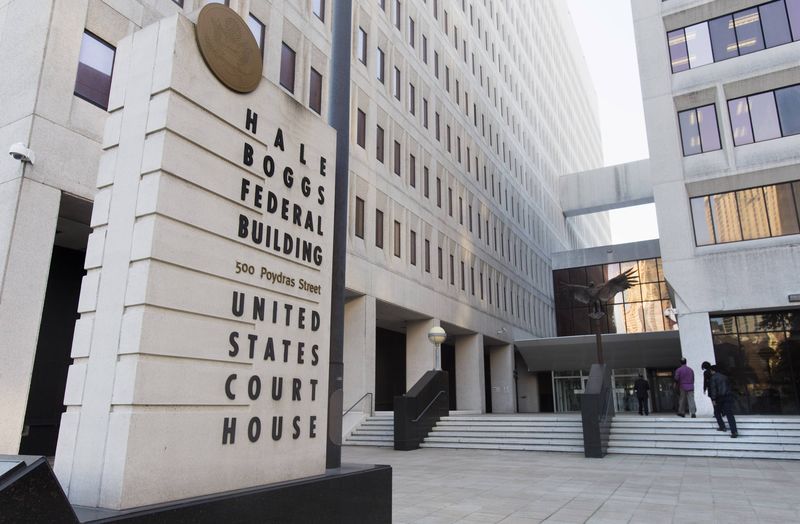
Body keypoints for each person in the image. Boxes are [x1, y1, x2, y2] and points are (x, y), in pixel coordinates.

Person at [708, 365, 738, 438]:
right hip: (727, 397)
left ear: (712, 370)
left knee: (717, 412)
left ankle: (722, 426)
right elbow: (730, 387)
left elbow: (714, 389)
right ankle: (734, 431)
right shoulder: (725, 377)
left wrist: (713, 399)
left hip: (719, 398)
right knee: (729, 414)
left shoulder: (713, 378)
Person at [702, 361, 725, 431]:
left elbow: (705, 381)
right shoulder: (715, 371)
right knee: (720, 400)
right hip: (718, 389)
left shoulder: (706, 373)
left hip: (711, 389)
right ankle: (722, 412)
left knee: (714, 401)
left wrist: (704, 388)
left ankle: (717, 412)